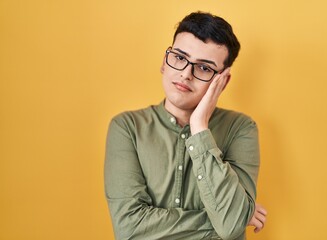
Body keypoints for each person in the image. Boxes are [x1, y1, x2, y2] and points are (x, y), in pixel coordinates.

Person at [104, 11, 267, 240]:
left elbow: (230, 226)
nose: (185, 74)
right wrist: (233, 217)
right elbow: (129, 229)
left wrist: (200, 127)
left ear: (222, 80)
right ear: (164, 61)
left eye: (204, 68)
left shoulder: (241, 129)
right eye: (180, 57)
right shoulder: (127, 127)